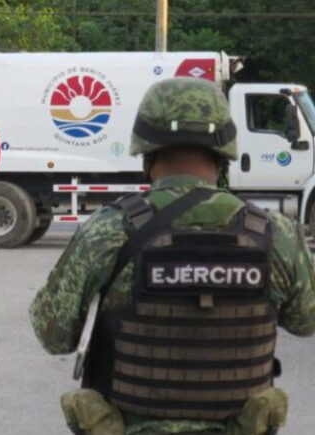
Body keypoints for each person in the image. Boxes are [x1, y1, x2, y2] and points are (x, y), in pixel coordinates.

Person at [29, 77, 315, 434]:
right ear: (224, 152)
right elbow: (306, 322)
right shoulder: (276, 234)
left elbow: (52, 335)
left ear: (146, 151)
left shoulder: (109, 230)